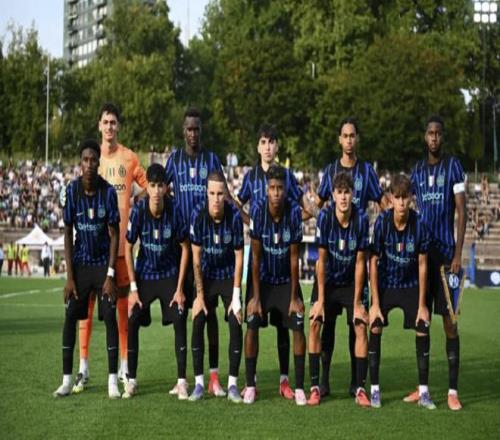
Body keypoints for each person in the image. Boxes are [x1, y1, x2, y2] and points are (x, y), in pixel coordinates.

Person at [234, 123, 316, 400]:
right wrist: (253, 223)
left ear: (277, 146)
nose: (268, 147)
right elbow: (237, 204)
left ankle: (286, 381)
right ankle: (251, 383)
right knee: (253, 322)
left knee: (286, 326)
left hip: (283, 256)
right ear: (258, 146)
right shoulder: (251, 177)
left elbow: (305, 207)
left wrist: (301, 218)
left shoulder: (287, 176)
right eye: (263, 142)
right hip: (262, 262)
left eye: (272, 142)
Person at [74, 103, 147, 393]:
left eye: (113, 122)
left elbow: (147, 186)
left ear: (118, 126)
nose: (109, 127)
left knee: (122, 308)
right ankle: (83, 367)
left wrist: (136, 203)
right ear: (99, 125)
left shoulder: (129, 158)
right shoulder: (91, 158)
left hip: (121, 250)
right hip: (93, 250)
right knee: (87, 307)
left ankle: (125, 366)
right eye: (105, 122)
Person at [313, 117, 386, 398]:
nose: (349, 140)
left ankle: (357, 383)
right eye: (344, 136)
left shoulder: (367, 171)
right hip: (332, 264)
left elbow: (383, 202)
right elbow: (317, 204)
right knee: (327, 326)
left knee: (356, 324)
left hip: (356, 257)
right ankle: (323, 381)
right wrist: (292, 214)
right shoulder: (330, 170)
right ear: (339, 139)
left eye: (352, 135)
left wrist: (401, 220)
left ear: (357, 139)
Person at [164, 108, 227, 396]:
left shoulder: (211, 159)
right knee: (181, 312)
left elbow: (225, 195)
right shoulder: (174, 160)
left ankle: (212, 377)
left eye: (197, 129)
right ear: (183, 131)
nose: (193, 133)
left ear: (201, 131)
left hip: (208, 248)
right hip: (181, 249)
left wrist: (246, 217)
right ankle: (182, 378)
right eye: (189, 129)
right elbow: (159, 190)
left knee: (208, 313)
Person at [53, 139, 120, 398]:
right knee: (70, 316)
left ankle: (112, 381)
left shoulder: (108, 192)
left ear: (98, 163)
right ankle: (66, 380)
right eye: (85, 160)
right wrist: (70, 277)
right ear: (80, 163)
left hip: (103, 264)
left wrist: (110, 275)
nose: (89, 164)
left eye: (93, 160)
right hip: (81, 264)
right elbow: (68, 233)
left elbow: (114, 234)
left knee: (110, 315)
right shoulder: (71, 191)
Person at [408, 115, 466, 411]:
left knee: (450, 322)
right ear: (424, 137)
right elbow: (406, 207)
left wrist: (458, 253)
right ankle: (423, 388)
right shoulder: (417, 171)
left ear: (442, 137)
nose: (434, 137)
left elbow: (462, 211)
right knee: (422, 320)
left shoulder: (453, 166)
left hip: (446, 257)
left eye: (438, 133)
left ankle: (452, 391)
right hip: (422, 256)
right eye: (430, 133)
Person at [122, 164, 190, 400]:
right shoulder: (139, 211)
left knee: (180, 315)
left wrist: (179, 289)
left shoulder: (174, 209)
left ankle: (182, 382)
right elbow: (128, 246)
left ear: (165, 188)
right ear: (147, 188)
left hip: (169, 273)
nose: (157, 191)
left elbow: (185, 248)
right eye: (152, 185)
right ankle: (131, 380)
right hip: (145, 274)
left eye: (161, 185)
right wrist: (133, 288)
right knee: (132, 317)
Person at [368, 174, 434, 409]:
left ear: (411, 198)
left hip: (410, 284)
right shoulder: (382, 222)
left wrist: (423, 304)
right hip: (386, 284)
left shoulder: (420, 223)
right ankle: (375, 390)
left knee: (423, 325)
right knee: (375, 324)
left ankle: (423, 392)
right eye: (397, 197)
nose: (402, 202)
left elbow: (423, 264)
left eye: (405, 197)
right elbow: (373, 261)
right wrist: (375, 303)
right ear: (391, 199)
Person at [243, 165, 306, 405]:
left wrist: (294, 297)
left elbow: (294, 258)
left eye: (280, 188)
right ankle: (250, 385)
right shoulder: (257, 211)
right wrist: (256, 298)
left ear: (285, 189)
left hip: (286, 281)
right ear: (267, 189)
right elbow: (255, 258)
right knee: (252, 324)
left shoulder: (294, 212)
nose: (276, 193)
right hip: (263, 280)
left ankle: (296, 386)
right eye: (272, 188)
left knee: (296, 324)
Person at [307, 172, 370, 407]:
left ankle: (359, 387)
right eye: (339, 192)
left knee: (360, 325)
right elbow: (321, 261)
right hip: (329, 281)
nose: (343, 197)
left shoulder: (361, 219)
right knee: (316, 322)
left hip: (352, 282)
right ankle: (317, 386)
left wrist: (357, 302)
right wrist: (320, 300)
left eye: (347, 192)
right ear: (333, 195)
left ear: (353, 194)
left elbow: (361, 262)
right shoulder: (325, 218)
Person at [188, 171, 244, 402]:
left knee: (235, 321)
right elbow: (196, 258)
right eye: (211, 193)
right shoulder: (197, 215)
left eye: (220, 194)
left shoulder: (235, 216)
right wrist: (199, 296)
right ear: (206, 193)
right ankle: (199, 384)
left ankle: (232, 385)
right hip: (207, 275)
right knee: (199, 318)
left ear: (225, 195)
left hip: (228, 275)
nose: (216, 199)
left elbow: (239, 256)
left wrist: (237, 296)